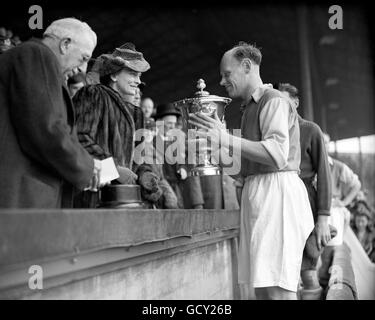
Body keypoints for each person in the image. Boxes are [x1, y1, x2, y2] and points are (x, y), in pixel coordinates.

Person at [189, 42, 314, 299]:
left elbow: (277, 155)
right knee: (263, 289)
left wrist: (225, 138)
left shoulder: (274, 100)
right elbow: (242, 169)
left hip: (277, 194)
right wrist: (212, 147)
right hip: (260, 191)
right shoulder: (249, 109)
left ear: (246, 66)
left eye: (227, 74)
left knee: (278, 290)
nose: (222, 81)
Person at [0, 18, 103, 208]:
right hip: (20, 201)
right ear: (65, 44)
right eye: (84, 58)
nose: (83, 69)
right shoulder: (38, 54)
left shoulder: (29, 59)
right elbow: (46, 128)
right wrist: (88, 167)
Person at [72, 42, 172, 208]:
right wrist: (113, 169)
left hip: (126, 200)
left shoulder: (137, 113)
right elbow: (79, 137)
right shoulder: (93, 94)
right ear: (114, 75)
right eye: (133, 74)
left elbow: (138, 157)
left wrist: (145, 174)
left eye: (140, 76)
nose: (138, 81)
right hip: (92, 197)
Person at [276, 83, 332, 300]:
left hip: (306, 201)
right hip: (279, 203)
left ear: (295, 103)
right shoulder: (271, 133)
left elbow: (325, 174)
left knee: (307, 270)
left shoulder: (311, 129)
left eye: (283, 101)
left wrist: (323, 217)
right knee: (284, 273)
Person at [319, 133, 362, 286]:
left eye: (326, 142)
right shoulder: (310, 166)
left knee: (332, 253)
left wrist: (344, 202)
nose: (323, 145)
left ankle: (329, 287)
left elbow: (356, 184)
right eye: (320, 142)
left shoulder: (337, 166)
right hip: (314, 212)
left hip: (332, 212)